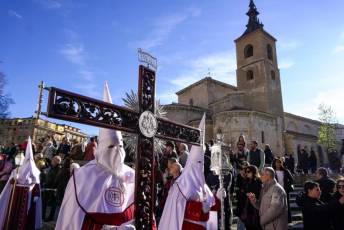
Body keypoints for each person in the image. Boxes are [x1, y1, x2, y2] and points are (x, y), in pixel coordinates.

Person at [55, 83, 138, 229]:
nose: (116, 151)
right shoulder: (83, 176)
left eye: (120, 147)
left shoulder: (132, 175)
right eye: (111, 146)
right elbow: (72, 220)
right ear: (101, 148)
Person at [159, 115, 223, 230]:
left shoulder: (203, 185)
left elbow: (211, 208)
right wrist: (200, 207)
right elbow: (178, 208)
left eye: (201, 163)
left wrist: (218, 198)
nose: (199, 166)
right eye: (197, 163)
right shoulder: (180, 184)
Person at [0, 137, 42, 229]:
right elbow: (11, 182)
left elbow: (37, 184)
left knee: (25, 213)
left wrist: (36, 194)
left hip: (28, 194)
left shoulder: (35, 170)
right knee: (14, 211)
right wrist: (14, 178)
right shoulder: (17, 169)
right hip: (16, 194)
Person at [206, 163, 233, 230]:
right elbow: (207, 185)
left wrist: (215, 188)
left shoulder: (228, 174)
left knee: (226, 217)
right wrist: (212, 190)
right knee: (215, 218)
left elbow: (225, 186)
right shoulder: (210, 175)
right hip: (214, 200)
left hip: (224, 199)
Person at [272, 157, 294, 223]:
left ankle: (287, 220)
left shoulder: (285, 171)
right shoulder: (272, 171)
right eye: (277, 162)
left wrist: (287, 184)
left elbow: (291, 179)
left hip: (284, 190)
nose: (278, 164)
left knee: (286, 205)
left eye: (279, 162)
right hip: (275, 191)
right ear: (274, 163)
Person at [241, 165, 262, 230]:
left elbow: (258, 193)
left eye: (248, 171)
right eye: (246, 171)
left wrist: (249, 194)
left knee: (255, 224)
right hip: (248, 206)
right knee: (248, 224)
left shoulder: (257, 181)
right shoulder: (247, 181)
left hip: (255, 206)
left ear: (253, 172)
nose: (246, 173)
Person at [42, 155, 62, 221]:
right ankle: (42, 216)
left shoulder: (59, 169)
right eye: (53, 159)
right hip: (47, 187)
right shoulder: (52, 167)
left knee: (53, 204)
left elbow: (57, 179)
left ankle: (50, 217)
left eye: (54, 160)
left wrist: (54, 188)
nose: (52, 161)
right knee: (44, 202)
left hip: (53, 189)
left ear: (57, 161)